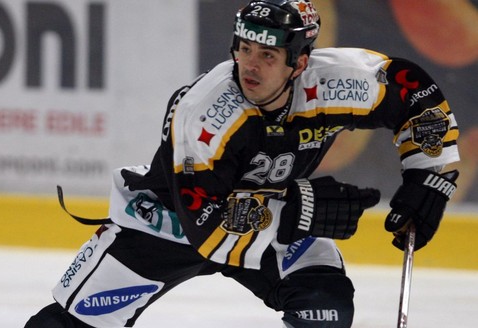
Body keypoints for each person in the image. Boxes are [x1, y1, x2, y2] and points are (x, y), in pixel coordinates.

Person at [25, 0, 460, 327]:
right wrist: (298, 210)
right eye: (245, 49)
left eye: (267, 56)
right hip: (168, 223)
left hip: (273, 224)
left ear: (300, 63)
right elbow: (204, 223)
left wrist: (430, 175)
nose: (249, 67)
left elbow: (413, 94)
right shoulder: (206, 112)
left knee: (325, 309)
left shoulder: (337, 83)